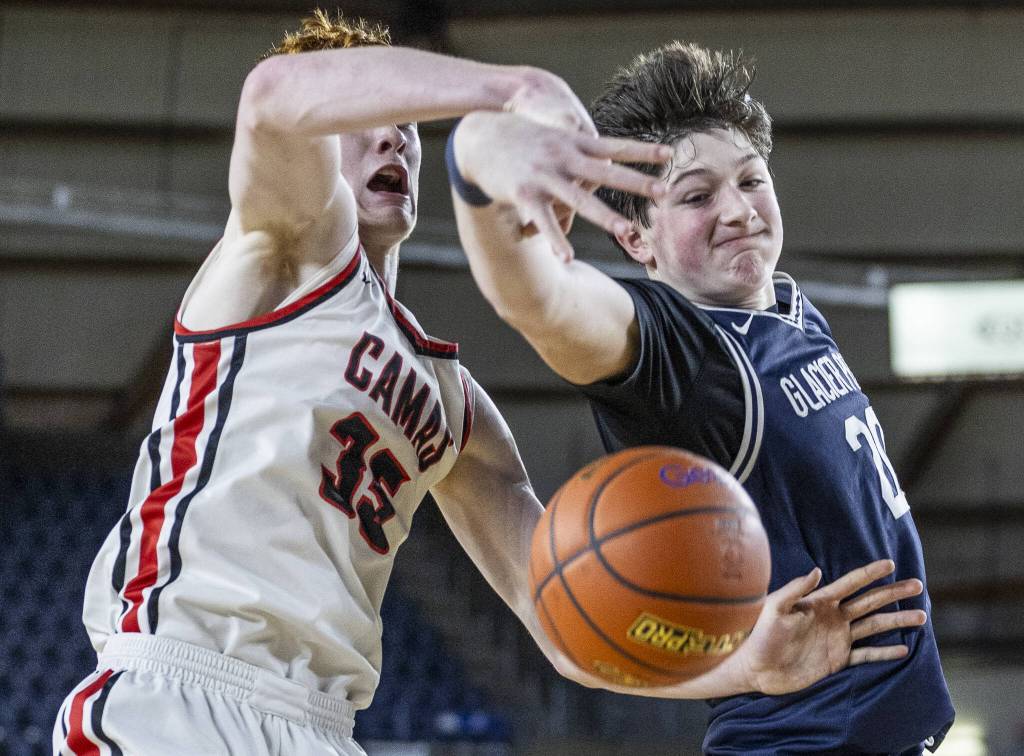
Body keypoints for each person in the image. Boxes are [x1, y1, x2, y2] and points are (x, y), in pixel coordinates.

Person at [54, 13, 930, 755]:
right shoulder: (274, 260)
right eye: (367, 125)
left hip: (322, 723)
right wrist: (508, 90)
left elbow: (558, 617)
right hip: (178, 689)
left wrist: (746, 668)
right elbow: (274, 98)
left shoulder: (453, 401)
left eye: (406, 127)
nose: (395, 134)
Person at [448, 41, 954, 754]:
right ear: (634, 237)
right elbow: (541, 301)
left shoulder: (789, 311)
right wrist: (480, 167)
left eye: (751, 180)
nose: (739, 210)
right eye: (696, 196)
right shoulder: (678, 354)